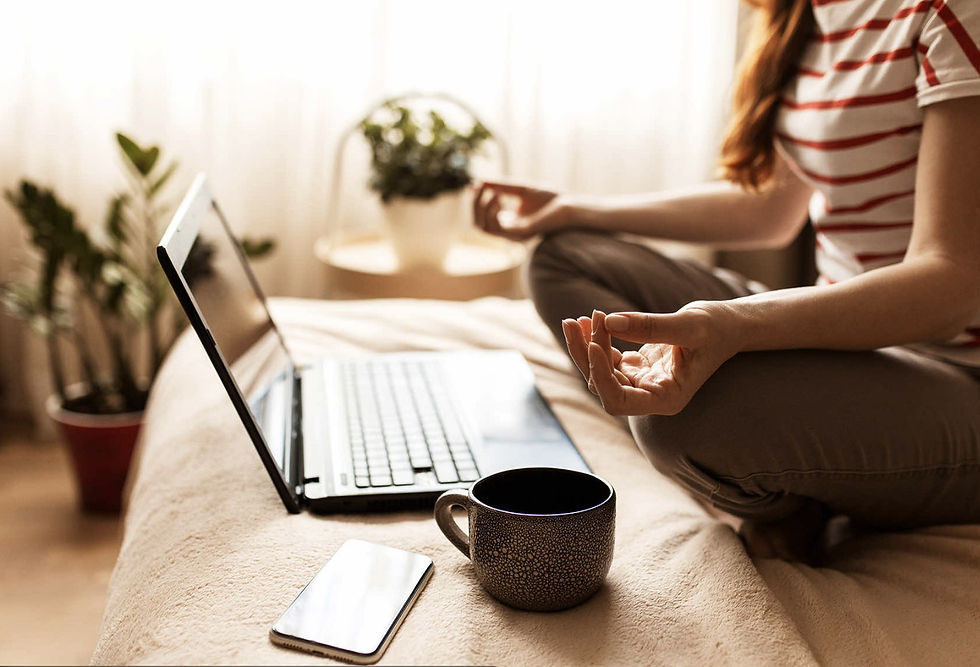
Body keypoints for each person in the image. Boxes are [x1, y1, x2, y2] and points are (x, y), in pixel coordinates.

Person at [471, 0, 980, 561]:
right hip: (846, 331)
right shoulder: (811, 14)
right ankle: (777, 470)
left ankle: (782, 490)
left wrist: (734, 324)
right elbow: (771, 209)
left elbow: (950, 287)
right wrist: (574, 210)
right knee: (562, 257)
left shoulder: (950, 12)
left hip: (955, 372)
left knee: (675, 422)